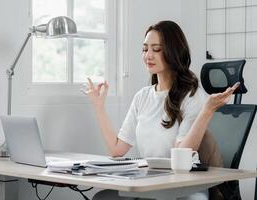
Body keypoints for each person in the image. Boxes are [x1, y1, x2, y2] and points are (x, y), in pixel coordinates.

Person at [82, 20, 239, 200]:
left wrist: (206, 112)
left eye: (156, 49)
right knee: (104, 197)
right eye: (145, 49)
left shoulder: (193, 96)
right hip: (150, 183)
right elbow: (117, 150)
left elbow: (182, 156)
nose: (148, 55)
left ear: (173, 52)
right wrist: (99, 106)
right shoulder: (142, 96)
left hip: (185, 186)